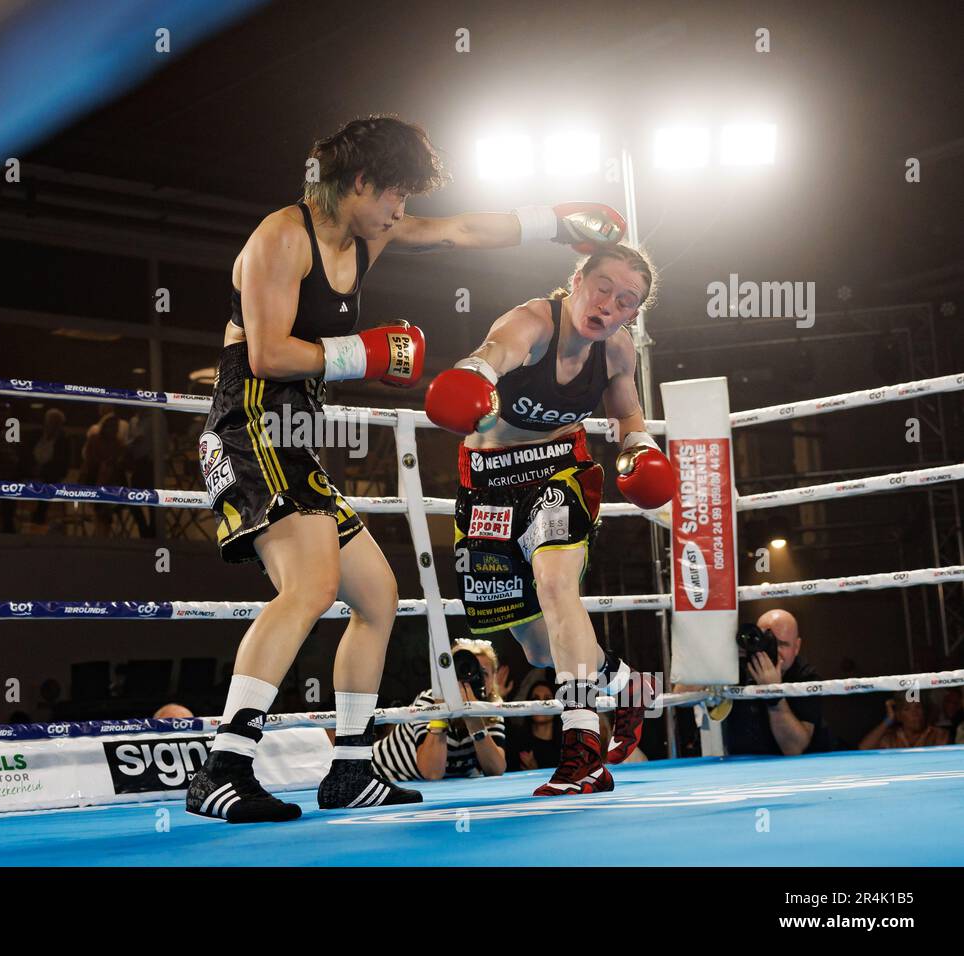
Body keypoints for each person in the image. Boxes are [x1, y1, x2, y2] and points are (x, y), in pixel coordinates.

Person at [186, 113, 627, 823]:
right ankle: (225, 765)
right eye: (395, 194)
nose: (401, 210)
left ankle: (351, 769)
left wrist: (553, 222)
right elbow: (266, 355)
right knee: (309, 586)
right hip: (248, 428)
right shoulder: (281, 237)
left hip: (293, 439)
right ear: (359, 182)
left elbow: (456, 230)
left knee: (377, 595)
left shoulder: (368, 234)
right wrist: (366, 353)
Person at [426, 243, 673, 796]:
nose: (609, 305)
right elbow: (492, 354)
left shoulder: (616, 351)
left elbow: (627, 416)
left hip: (560, 471)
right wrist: (471, 375)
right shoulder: (531, 322)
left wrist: (640, 451)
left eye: (626, 301)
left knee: (556, 584)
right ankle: (628, 685)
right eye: (604, 287)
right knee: (539, 646)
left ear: (632, 314)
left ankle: (580, 746)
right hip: (488, 481)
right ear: (578, 278)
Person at [373, 639, 506, 781]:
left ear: (493, 678)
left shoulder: (491, 708)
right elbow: (432, 773)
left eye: (482, 673)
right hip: (381, 775)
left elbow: (495, 770)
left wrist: (472, 716)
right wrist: (441, 711)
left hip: (426, 788)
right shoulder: (429, 701)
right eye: (464, 670)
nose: (471, 679)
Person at [721, 609, 829, 756]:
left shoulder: (805, 677)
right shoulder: (736, 666)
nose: (773, 650)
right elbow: (681, 695)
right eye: (767, 641)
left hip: (796, 770)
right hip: (742, 766)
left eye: (782, 644)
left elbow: (794, 749)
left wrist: (774, 696)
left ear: (796, 647)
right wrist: (721, 657)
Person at [858, 693, 949, 750]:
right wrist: (888, 720)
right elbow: (864, 748)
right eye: (907, 709)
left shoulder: (939, 734)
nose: (915, 713)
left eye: (918, 707)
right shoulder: (890, 737)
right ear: (899, 716)